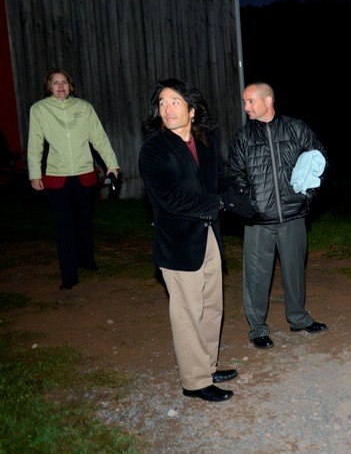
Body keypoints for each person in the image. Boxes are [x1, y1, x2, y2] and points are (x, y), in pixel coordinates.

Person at [138, 78, 241, 402]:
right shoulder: (154, 150)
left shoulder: (205, 140)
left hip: (208, 233)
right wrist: (221, 204)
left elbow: (212, 180)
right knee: (187, 311)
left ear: (192, 111)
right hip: (179, 240)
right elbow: (172, 198)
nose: (167, 109)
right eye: (163, 103)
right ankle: (194, 381)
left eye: (175, 102)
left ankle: (207, 366)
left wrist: (239, 186)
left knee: (212, 304)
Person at [228, 82, 328, 350]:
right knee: (256, 277)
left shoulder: (296, 128)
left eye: (250, 101)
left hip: (293, 215)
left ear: (268, 100)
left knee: (295, 271)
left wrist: (306, 196)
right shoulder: (243, 137)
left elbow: (318, 158)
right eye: (245, 102)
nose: (246, 107)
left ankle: (298, 318)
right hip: (259, 220)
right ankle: (258, 329)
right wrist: (250, 204)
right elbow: (235, 174)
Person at [27, 70, 120, 290]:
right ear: (49, 87)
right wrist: (34, 173)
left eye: (64, 82)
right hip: (56, 178)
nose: (60, 86)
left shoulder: (84, 107)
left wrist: (112, 165)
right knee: (63, 226)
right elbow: (35, 144)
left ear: (71, 86)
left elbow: (99, 137)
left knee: (84, 221)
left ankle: (87, 261)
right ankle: (69, 275)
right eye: (55, 82)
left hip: (84, 175)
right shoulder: (39, 109)